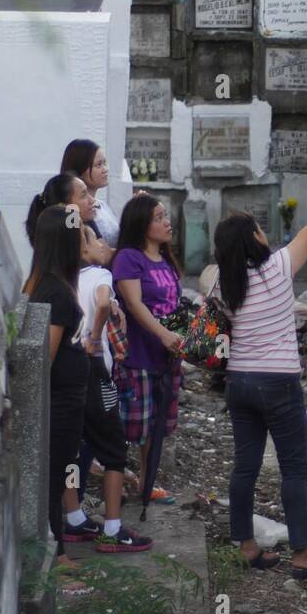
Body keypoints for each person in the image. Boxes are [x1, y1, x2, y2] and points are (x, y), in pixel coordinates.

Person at [213, 153, 307, 580]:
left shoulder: (223, 284)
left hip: (239, 381)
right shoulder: (279, 268)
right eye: (259, 229)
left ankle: (244, 545)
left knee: (244, 465)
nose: (265, 232)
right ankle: (302, 554)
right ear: (255, 240)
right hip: (278, 382)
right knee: (294, 469)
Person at [63, 226, 153, 553]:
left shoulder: (59, 278)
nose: (102, 243)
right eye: (93, 239)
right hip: (94, 371)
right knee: (115, 446)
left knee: (73, 446)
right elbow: (102, 303)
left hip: (66, 371)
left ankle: (73, 519)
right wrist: (94, 338)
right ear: (83, 251)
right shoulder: (100, 275)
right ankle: (113, 530)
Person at [22, 206, 91, 574]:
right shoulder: (56, 292)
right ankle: (57, 555)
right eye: (80, 232)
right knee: (56, 472)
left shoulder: (48, 283)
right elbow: (44, 357)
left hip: (67, 400)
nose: (86, 238)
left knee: (62, 470)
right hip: (60, 403)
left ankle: (59, 547)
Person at [112, 193, 184, 518]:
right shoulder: (129, 258)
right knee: (134, 427)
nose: (166, 221)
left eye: (165, 215)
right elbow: (135, 305)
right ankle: (123, 485)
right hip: (139, 356)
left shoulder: (166, 260)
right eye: (158, 217)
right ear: (141, 224)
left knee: (158, 425)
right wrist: (164, 335)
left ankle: (146, 480)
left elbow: (174, 306)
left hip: (167, 357)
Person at [61, 139, 120, 247]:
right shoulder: (72, 209)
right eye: (98, 165)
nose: (105, 169)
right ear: (81, 170)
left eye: (105, 163)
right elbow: (97, 253)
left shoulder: (102, 205)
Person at [26, 172, 99, 246]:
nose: (92, 200)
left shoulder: (88, 224)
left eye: (88, 192)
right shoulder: (63, 248)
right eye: (83, 195)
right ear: (64, 206)